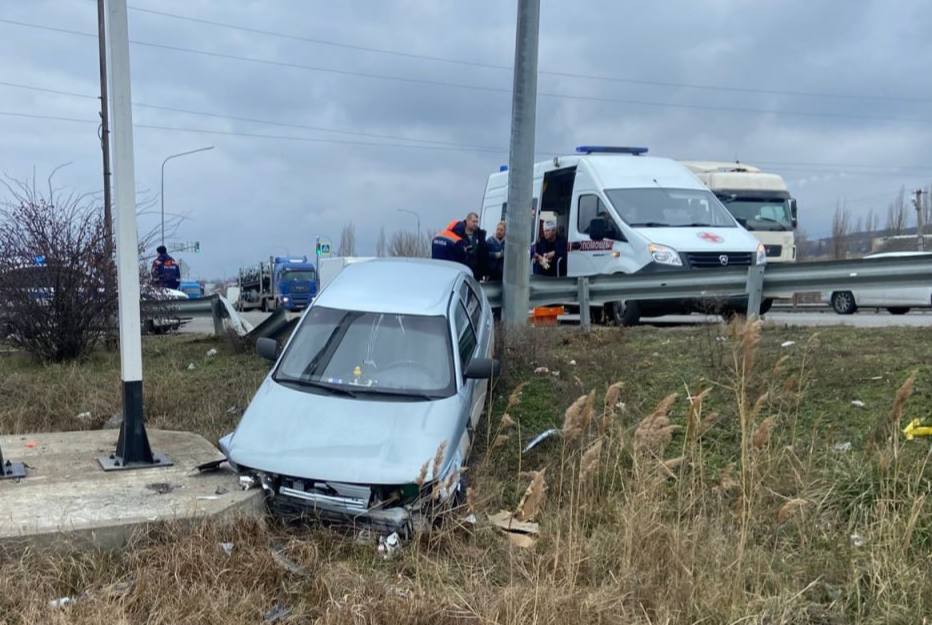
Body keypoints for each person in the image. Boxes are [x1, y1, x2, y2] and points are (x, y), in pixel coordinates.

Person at [431, 212, 488, 280]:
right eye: (474, 221)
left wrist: (485, 272)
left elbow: (484, 255)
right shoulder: (458, 236)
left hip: (476, 272)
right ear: (467, 221)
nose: (475, 224)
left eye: (477, 222)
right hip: (461, 271)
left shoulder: (480, 235)